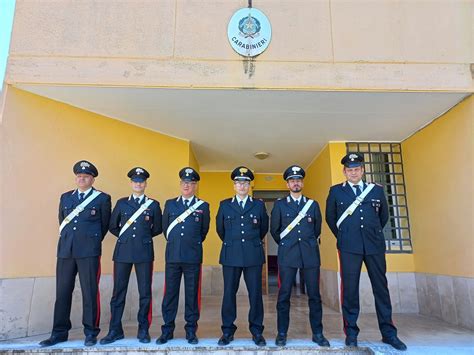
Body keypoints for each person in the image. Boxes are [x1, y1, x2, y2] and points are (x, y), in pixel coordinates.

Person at [325, 153, 407, 351]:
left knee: (381, 289)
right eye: (349, 169)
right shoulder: (336, 192)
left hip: (374, 246)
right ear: (344, 172)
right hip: (349, 247)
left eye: (357, 169)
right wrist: (345, 236)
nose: (353, 172)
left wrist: (371, 234)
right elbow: (331, 218)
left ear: (362, 170)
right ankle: (351, 333)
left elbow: (384, 217)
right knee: (350, 290)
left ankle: (389, 333)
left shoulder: (376, 191)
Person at [40, 160, 111, 347]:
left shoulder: (102, 199)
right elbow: (62, 220)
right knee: (62, 292)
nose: (82, 178)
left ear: (92, 179)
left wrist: (91, 241)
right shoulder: (66, 197)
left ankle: (90, 332)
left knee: (90, 292)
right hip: (66, 251)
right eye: (79, 176)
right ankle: (59, 333)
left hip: (89, 251)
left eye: (85, 176)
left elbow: (104, 226)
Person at [100, 167, 162, 344]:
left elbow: (157, 228)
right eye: (135, 181)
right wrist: (127, 238)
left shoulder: (153, 205)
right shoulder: (122, 203)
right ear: (131, 183)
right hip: (123, 252)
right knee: (118, 292)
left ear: (145, 184)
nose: (138, 184)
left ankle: (143, 329)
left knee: (145, 292)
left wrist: (142, 238)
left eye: (141, 181)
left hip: (144, 252)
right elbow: (113, 226)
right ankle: (115, 330)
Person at [270, 165, 330, 347]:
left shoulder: (312, 205)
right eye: (292, 180)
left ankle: (318, 333)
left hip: (310, 254)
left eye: (298, 180)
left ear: (302, 182)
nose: (295, 183)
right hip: (288, 255)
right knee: (284, 295)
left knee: (314, 295)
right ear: (287, 184)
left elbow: (317, 229)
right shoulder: (280, 205)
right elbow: (275, 230)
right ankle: (282, 333)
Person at [215, 166, 269, 346]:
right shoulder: (224, 205)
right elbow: (220, 230)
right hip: (231, 255)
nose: (242, 185)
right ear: (234, 185)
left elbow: (263, 229)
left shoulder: (259, 205)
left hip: (253, 255)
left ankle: (257, 331)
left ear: (249, 185)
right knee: (229, 294)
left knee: (255, 295)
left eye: (245, 182)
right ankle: (227, 331)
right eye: (239, 182)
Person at [157, 167, 210, 345]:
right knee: (170, 294)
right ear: (180, 184)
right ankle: (167, 330)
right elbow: (166, 229)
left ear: (196, 186)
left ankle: (190, 330)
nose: (187, 185)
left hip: (192, 257)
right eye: (184, 182)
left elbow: (203, 232)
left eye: (191, 183)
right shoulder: (170, 204)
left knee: (192, 295)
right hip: (172, 256)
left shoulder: (203, 206)